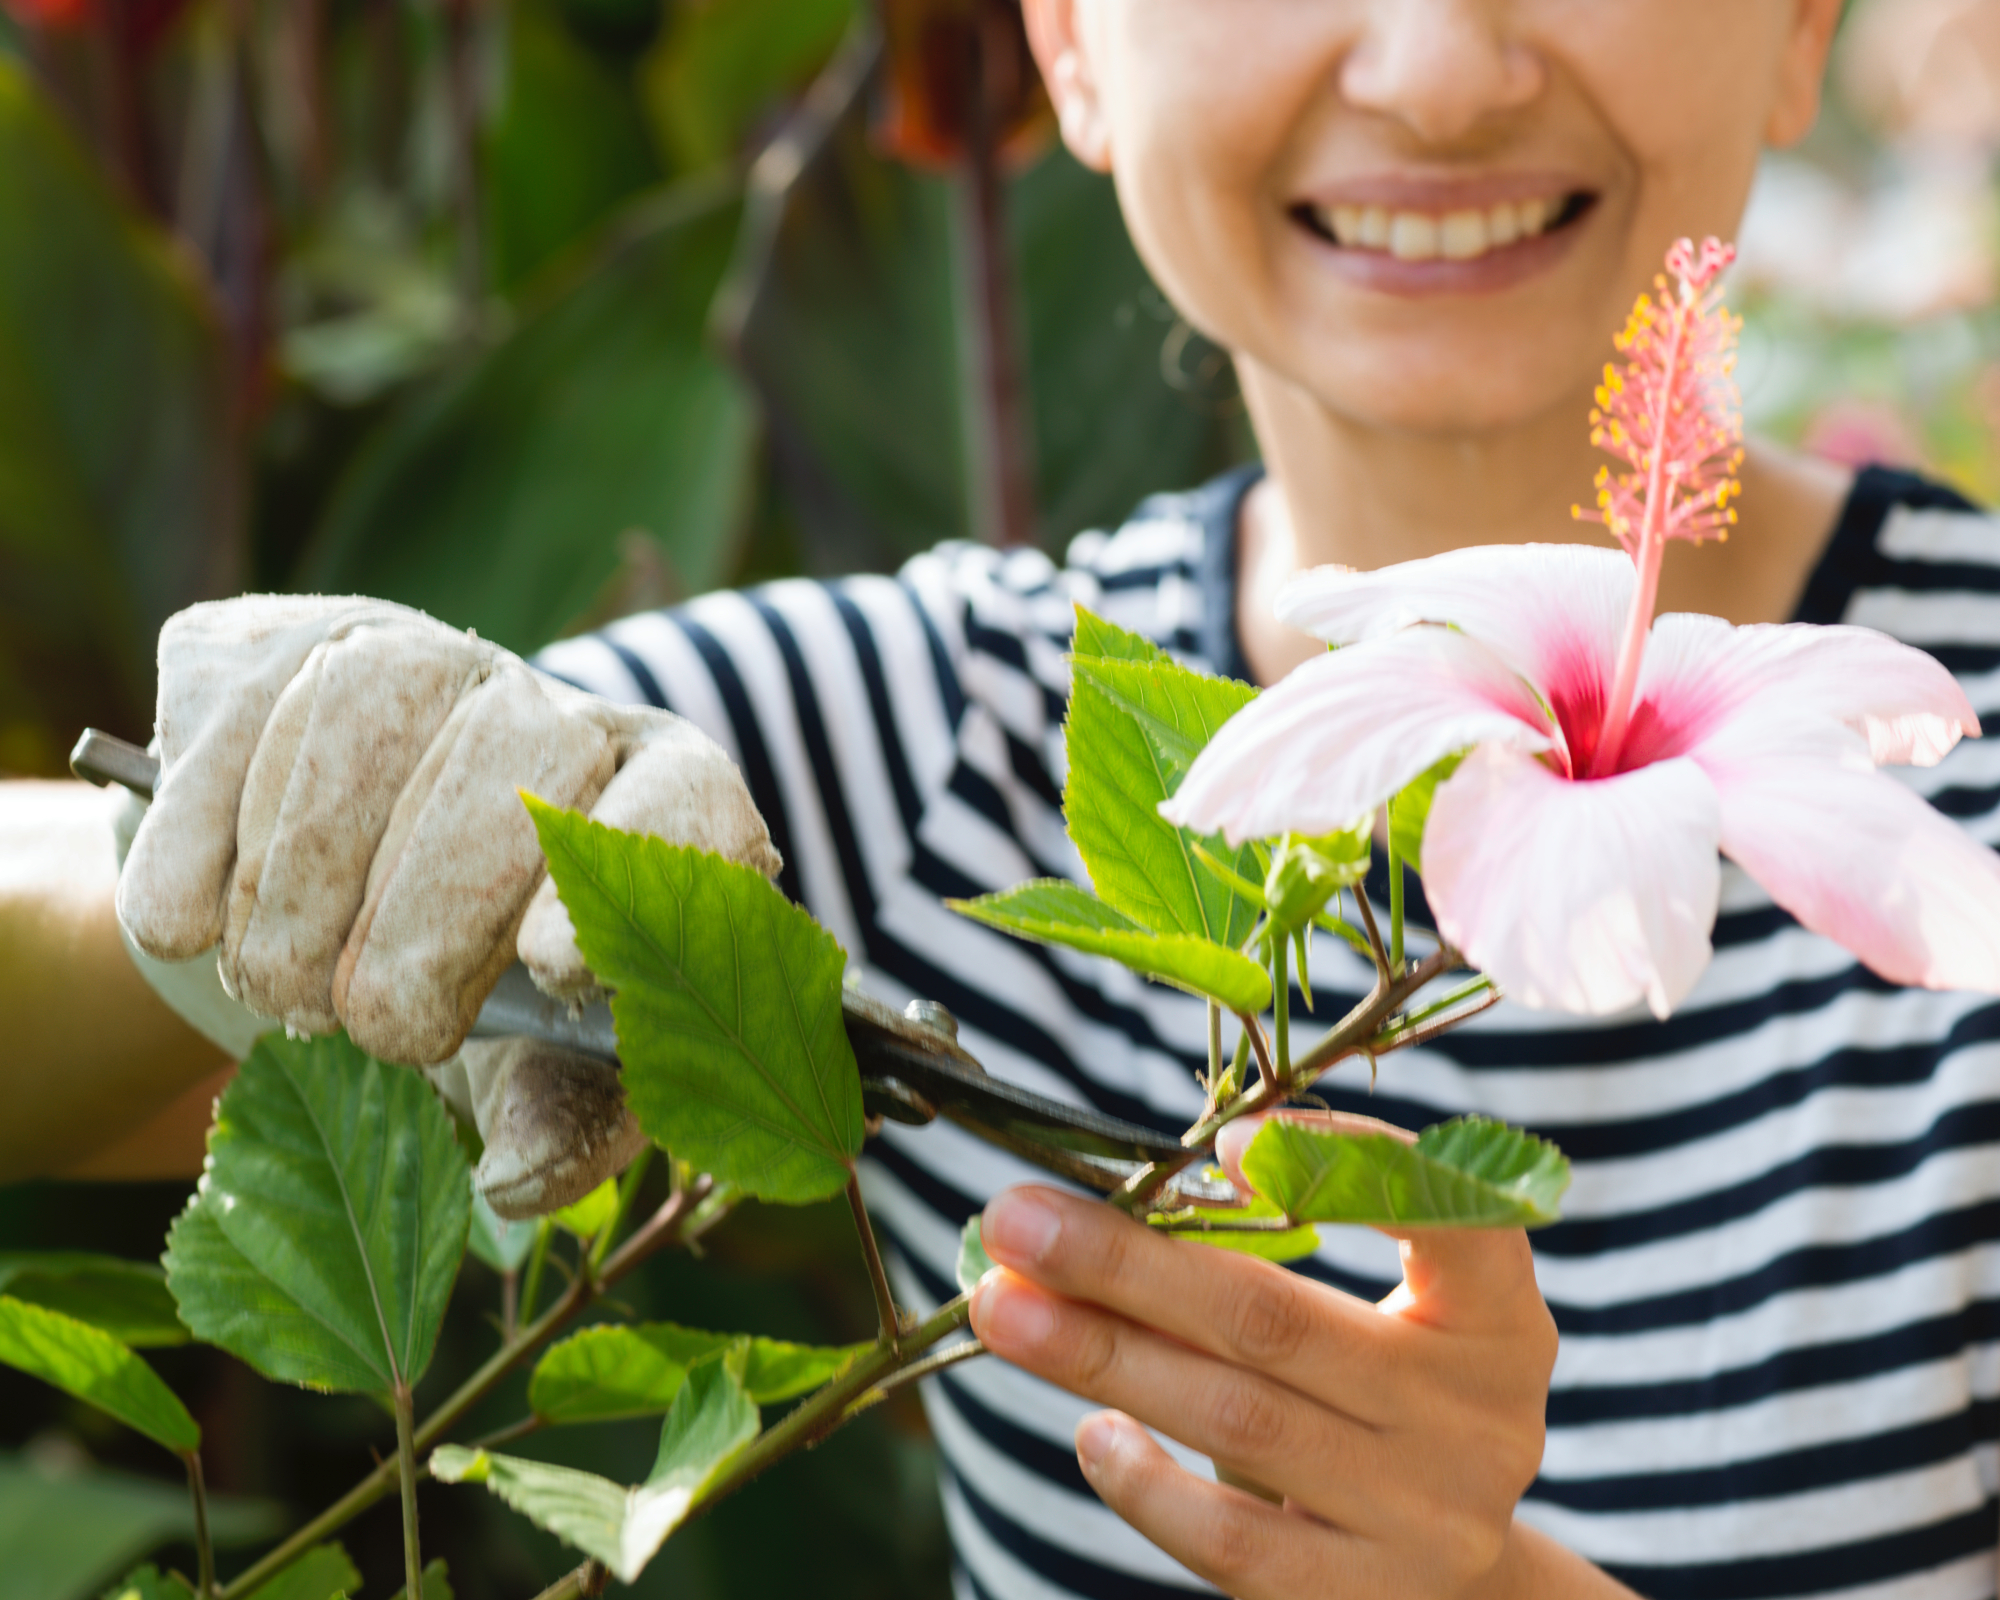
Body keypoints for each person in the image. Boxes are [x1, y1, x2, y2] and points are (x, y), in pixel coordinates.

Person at [6, 0, 1999, 1593]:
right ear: (1065, 43)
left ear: (1808, 20)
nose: (1437, 64)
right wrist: (253, 823)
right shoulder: (944, 733)